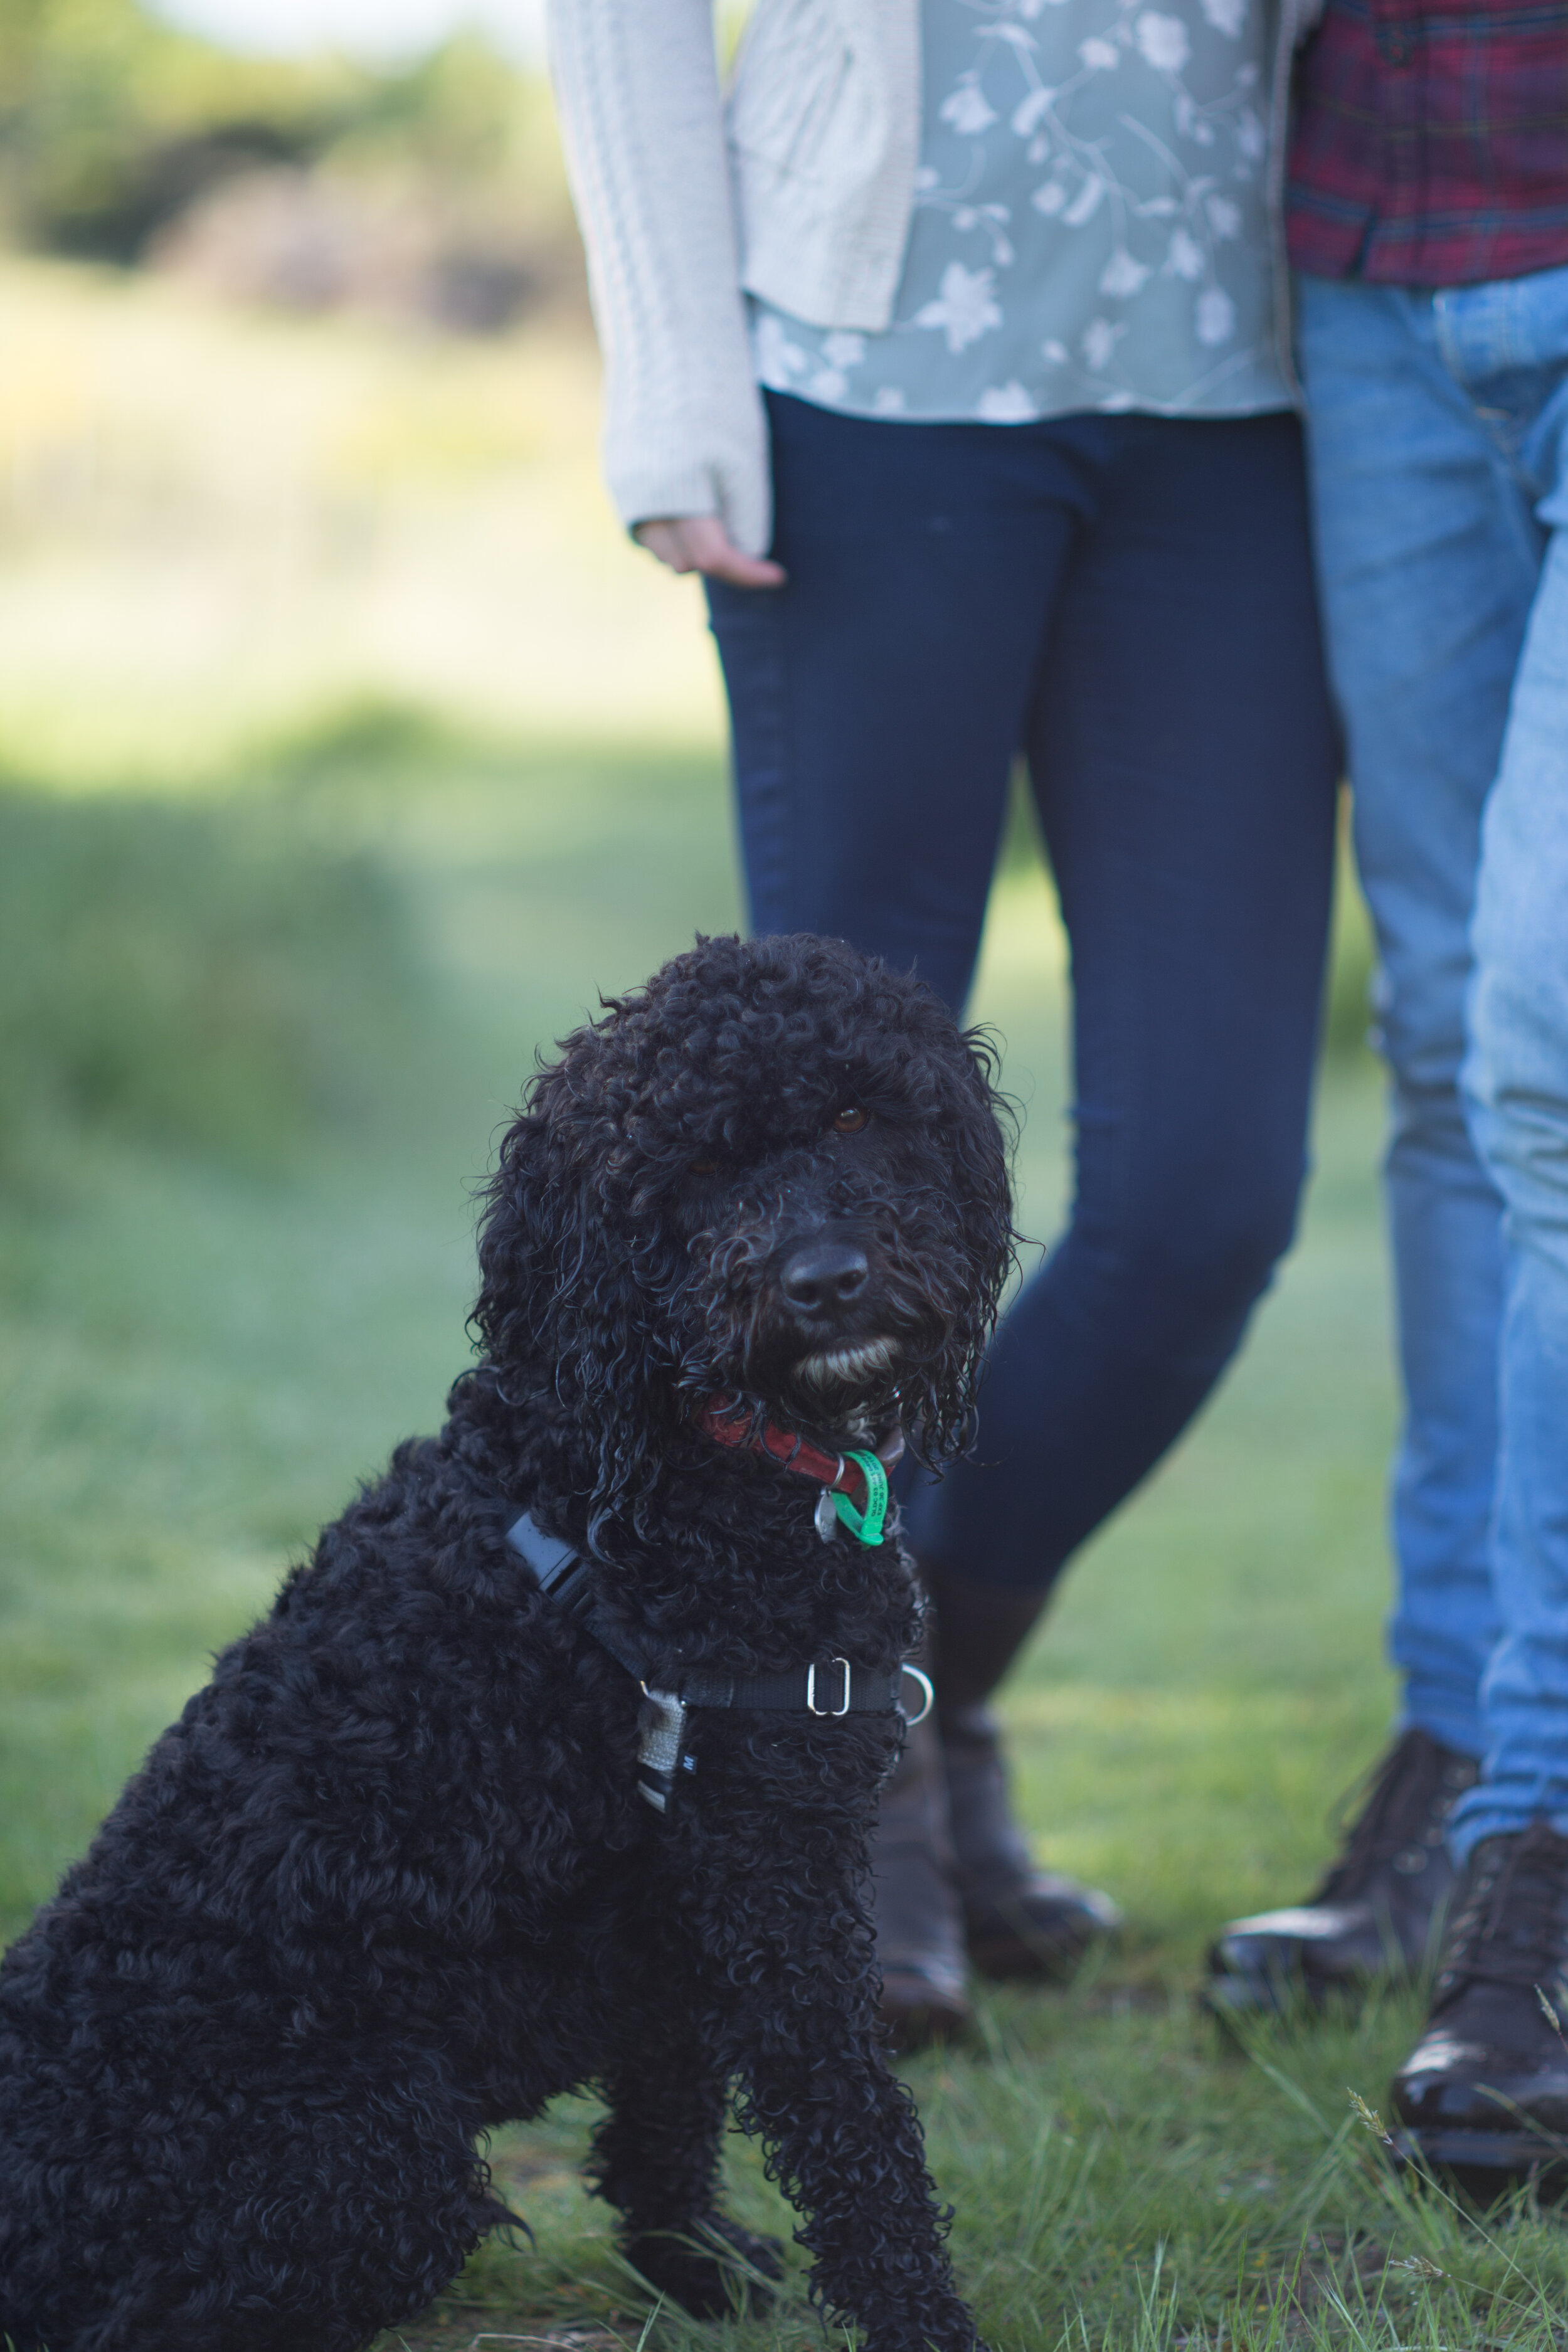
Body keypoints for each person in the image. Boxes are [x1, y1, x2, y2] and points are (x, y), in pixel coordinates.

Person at [547, 0, 1342, 2042]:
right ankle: (850, 1765)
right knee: (821, 1229)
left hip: (1236, 403)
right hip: (864, 390)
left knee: (1204, 1189)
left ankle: (916, 1692)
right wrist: (670, 380)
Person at [1202, 0, 1568, 2187]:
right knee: (1441, 1044)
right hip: (1371, 259)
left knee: (1546, 1030)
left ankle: (1532, 1827)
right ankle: (1449, 1758)